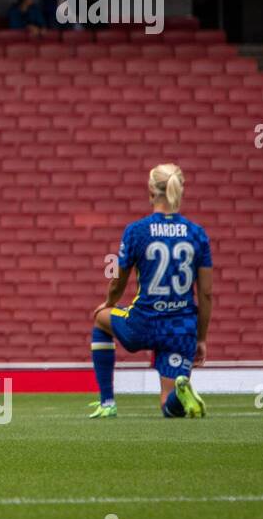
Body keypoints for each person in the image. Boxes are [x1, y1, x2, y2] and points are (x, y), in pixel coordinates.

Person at [89, 164, 211, 419]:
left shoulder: (137, 231)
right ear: (180, 192)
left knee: (100, 320)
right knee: (167, 405)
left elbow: (119, 281)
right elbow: (206, 294)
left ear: (150, 192)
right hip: (181, 328)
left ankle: (108, 402)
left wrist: (108, 303)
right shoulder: (197, 234)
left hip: (141, 324)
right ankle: (178, 395)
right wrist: (200, 338)